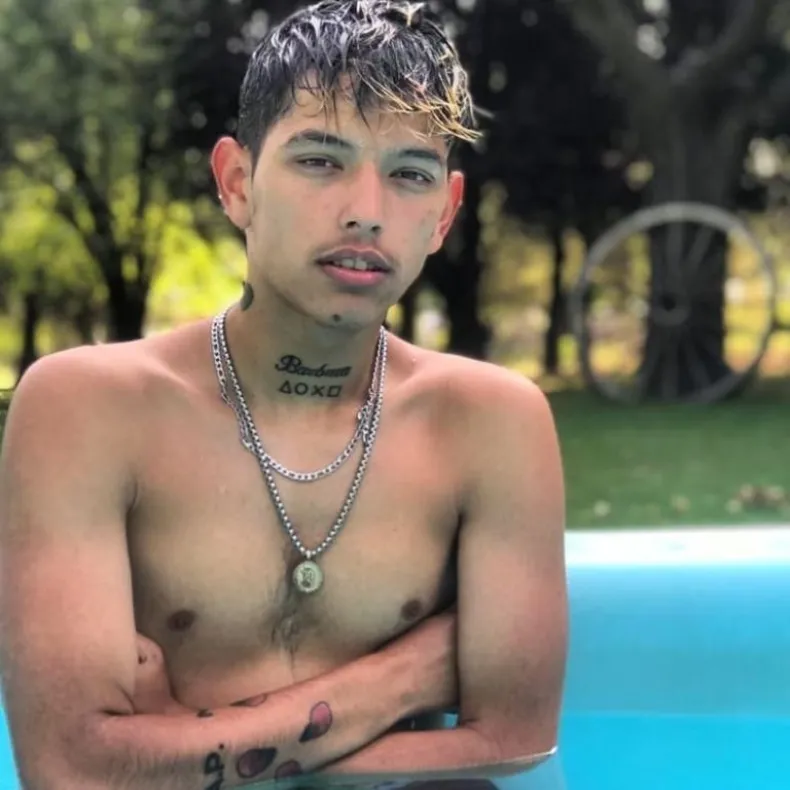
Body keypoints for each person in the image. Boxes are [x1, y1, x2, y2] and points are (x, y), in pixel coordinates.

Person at [0, 1, 568, 788]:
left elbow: (515, 746)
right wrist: (406, 676)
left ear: (444, 214)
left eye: (409, 174)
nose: (366, 213)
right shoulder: (87, 411)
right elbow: (71, 771)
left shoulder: (491, 424)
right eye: (320, 161)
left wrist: (170, 749)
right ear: (237, 183)